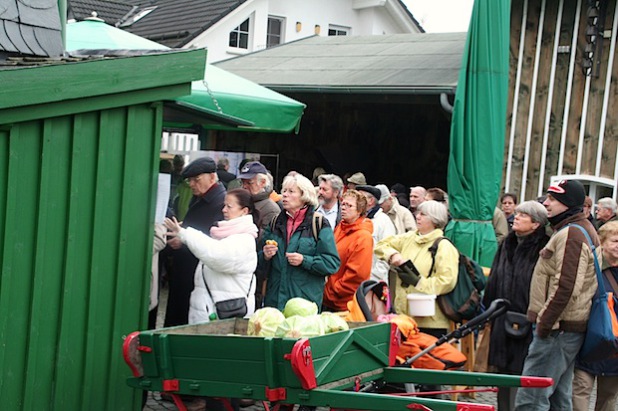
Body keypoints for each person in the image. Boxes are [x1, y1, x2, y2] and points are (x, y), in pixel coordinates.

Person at [514, 179, 599, 411]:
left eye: (553, 199)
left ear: (568, 203)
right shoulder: (570, 229)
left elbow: (567, 286)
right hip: (563, 328)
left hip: (558, 329)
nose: (546, 203)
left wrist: (545, 322)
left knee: (532, 397)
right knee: (557, 398)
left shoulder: (572, 233)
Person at [483, 201, 550, 411]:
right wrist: (490, 309)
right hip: (502, 316)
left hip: (527, 318)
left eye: (523, 215)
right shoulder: (507, 243)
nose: (516, 217)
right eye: (517, 214)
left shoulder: (545, 247)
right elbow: (494, 277)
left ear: (536, 224)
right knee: (503, 374)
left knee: (523, 373)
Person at [164, 188, 258, 323]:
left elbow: (216, 255)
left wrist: (185, 235)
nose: (224, 210)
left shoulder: (244, 240)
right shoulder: (223, 233)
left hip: (225, 315)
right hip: (212, 311)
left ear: (244, 211)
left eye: (229, 206)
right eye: (224, 205)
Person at [375, 200, 459, 335]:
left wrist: (419, 282)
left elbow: (447, 282)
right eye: (418, 213)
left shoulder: (444, 246)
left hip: (430, 322)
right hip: (403, 318)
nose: (417, 216)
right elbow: (380, 245)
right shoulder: (409, 238)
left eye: (423, 214)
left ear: (435, 220)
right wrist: (392, 255)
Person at [259, 173, 340, 310]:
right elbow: (257, 260)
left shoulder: (318, 223)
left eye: (291, 191)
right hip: (274, 302)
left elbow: (331, 263)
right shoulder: (275, 222)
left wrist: (304, 260)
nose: (285, 195)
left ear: (304, 196)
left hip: (304, 304)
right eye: (284, 191)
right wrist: (265, 256)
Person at [164, 156, 226, 327]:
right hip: (185, 271)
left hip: (196, 274)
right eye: (190, 180)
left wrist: (183, 242)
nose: (191, 184)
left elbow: (214, 241)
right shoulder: (200, 196)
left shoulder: (220, 202)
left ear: (212, 177)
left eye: (196, 180)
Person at [572, 220, 618, 411]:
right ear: (603, 241)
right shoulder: (591, 267)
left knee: (608, 396)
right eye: (615, 241)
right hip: (590, 340)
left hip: (615, 346)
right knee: (581, 390)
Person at [322, 189, 374, 312]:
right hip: (328, 299)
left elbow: (357, 276)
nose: (343, 208)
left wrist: (332, 291)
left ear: (359, 211)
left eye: (349, 205)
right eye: (343, 204)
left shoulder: (363, 237)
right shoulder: (341, 227)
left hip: (345, 305)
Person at [356, 185, 396, 283]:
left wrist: (374, 276)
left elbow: (387, 251)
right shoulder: (355, 219)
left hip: (374, 281)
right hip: (355, 279)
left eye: (360, 197)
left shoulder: (384, 221)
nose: (356, 201)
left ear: (371, 201)